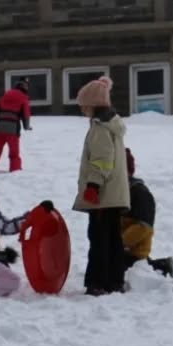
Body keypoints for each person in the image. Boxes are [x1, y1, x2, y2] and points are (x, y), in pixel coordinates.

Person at [71, 75, 131, 296]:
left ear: (93, 105)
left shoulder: (100, 128)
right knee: (112, 238)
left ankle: (98, 282)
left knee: (99, 239)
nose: (82, 110)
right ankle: (115, 281)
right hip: (114, 195)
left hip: (103, 196)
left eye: (84, 106)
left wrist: (93, 186)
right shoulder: (111, 125)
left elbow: (102, 160)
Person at [121, 148, 173, 278]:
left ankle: (162, 267)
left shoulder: (140, 194)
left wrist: (119, 242)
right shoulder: (119, 192)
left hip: (133, 252)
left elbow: (143, 227)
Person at [0, 78, 33, 173]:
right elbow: (26, 115)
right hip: (12, 129)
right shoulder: (24, 97)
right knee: (14, 154)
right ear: (24, 86)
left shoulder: (6, 95)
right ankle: (15, 171)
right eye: (26, 85)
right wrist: (26, 126)